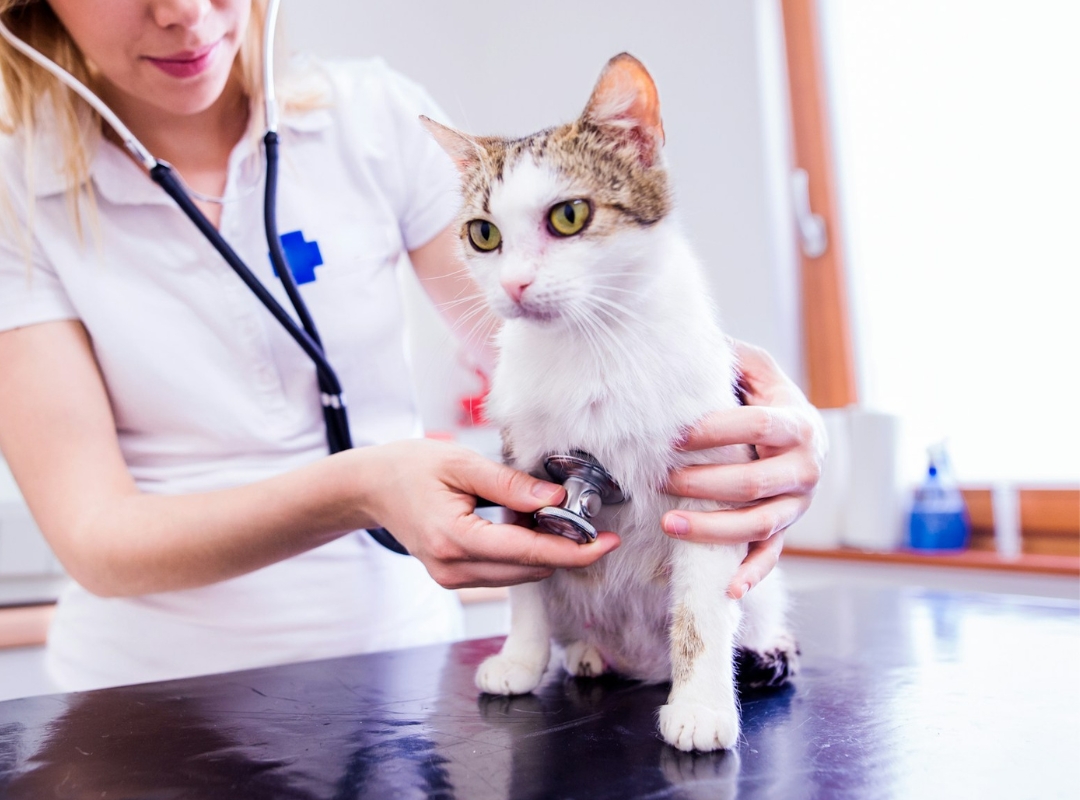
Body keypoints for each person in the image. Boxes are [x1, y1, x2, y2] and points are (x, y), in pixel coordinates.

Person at [0, 0, 826, 692]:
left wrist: (748, 407)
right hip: (146, 703)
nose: (181, 11)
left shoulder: (373, 119)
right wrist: (359, 488)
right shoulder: (13, 190)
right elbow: (98, 538)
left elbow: (545, 323)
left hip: (400, 675)